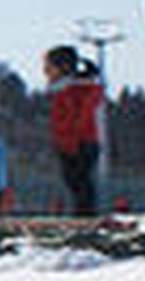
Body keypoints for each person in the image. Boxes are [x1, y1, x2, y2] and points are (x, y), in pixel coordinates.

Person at [43, 45, 105, 218]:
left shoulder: (75, 89)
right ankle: (83, 214)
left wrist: (70, 143)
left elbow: (78, 119)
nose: (45, 71)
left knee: (80, 182)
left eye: (49, 66)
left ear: (62, 68)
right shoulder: (63, 89)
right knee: (74, 182)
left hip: (80, 143)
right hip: (70, 142)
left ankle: (85, 216)